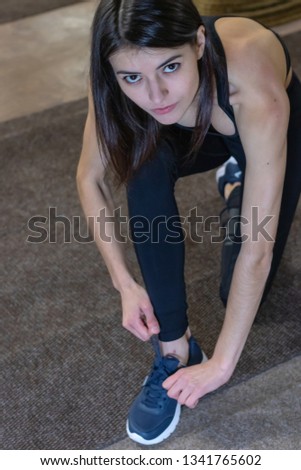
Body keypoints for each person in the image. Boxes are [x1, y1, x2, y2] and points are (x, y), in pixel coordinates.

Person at [76, 0, 301, 445]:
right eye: (133, 78)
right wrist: (124, 282)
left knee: (241, 279)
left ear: (198, 42)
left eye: (170, 66)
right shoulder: (119, 72)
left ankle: (241, 186)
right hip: (181, 131)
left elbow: (258, 252)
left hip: (252, 127)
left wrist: (221, 365)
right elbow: (90, 178)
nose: (155, 94)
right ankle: (174, 349)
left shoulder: (255, 92)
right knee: (143, 166)